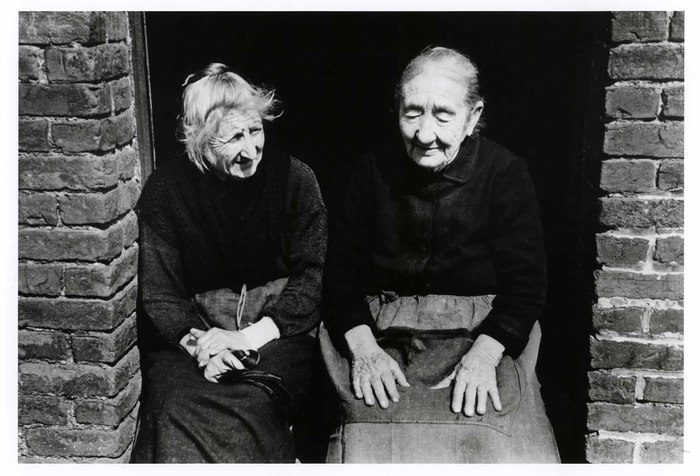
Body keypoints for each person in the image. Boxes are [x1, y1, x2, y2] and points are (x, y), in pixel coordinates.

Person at [321, 47, 559, 463]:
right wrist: (364, 350)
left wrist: (485, 356)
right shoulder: (370, 170)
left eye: (443, 115)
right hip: (382, 335)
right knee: (367, 425)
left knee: (488, 428)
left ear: (472, 116)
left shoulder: (504, 172)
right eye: (412, 113)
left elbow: (527, 283)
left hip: (483, 334)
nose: (424, 134)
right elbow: (340, 272)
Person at [131, 63, 327, 463]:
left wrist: (246, 339)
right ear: (201, 141)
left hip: (277, 333)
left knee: (253, 403)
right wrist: (202, 348)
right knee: (171, 409)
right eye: (235, 137)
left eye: (255, 130)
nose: (251, 149)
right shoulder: (166, 191)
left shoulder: (296, 180)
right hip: (194, 335)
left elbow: (312, 278)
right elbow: (160, 294)